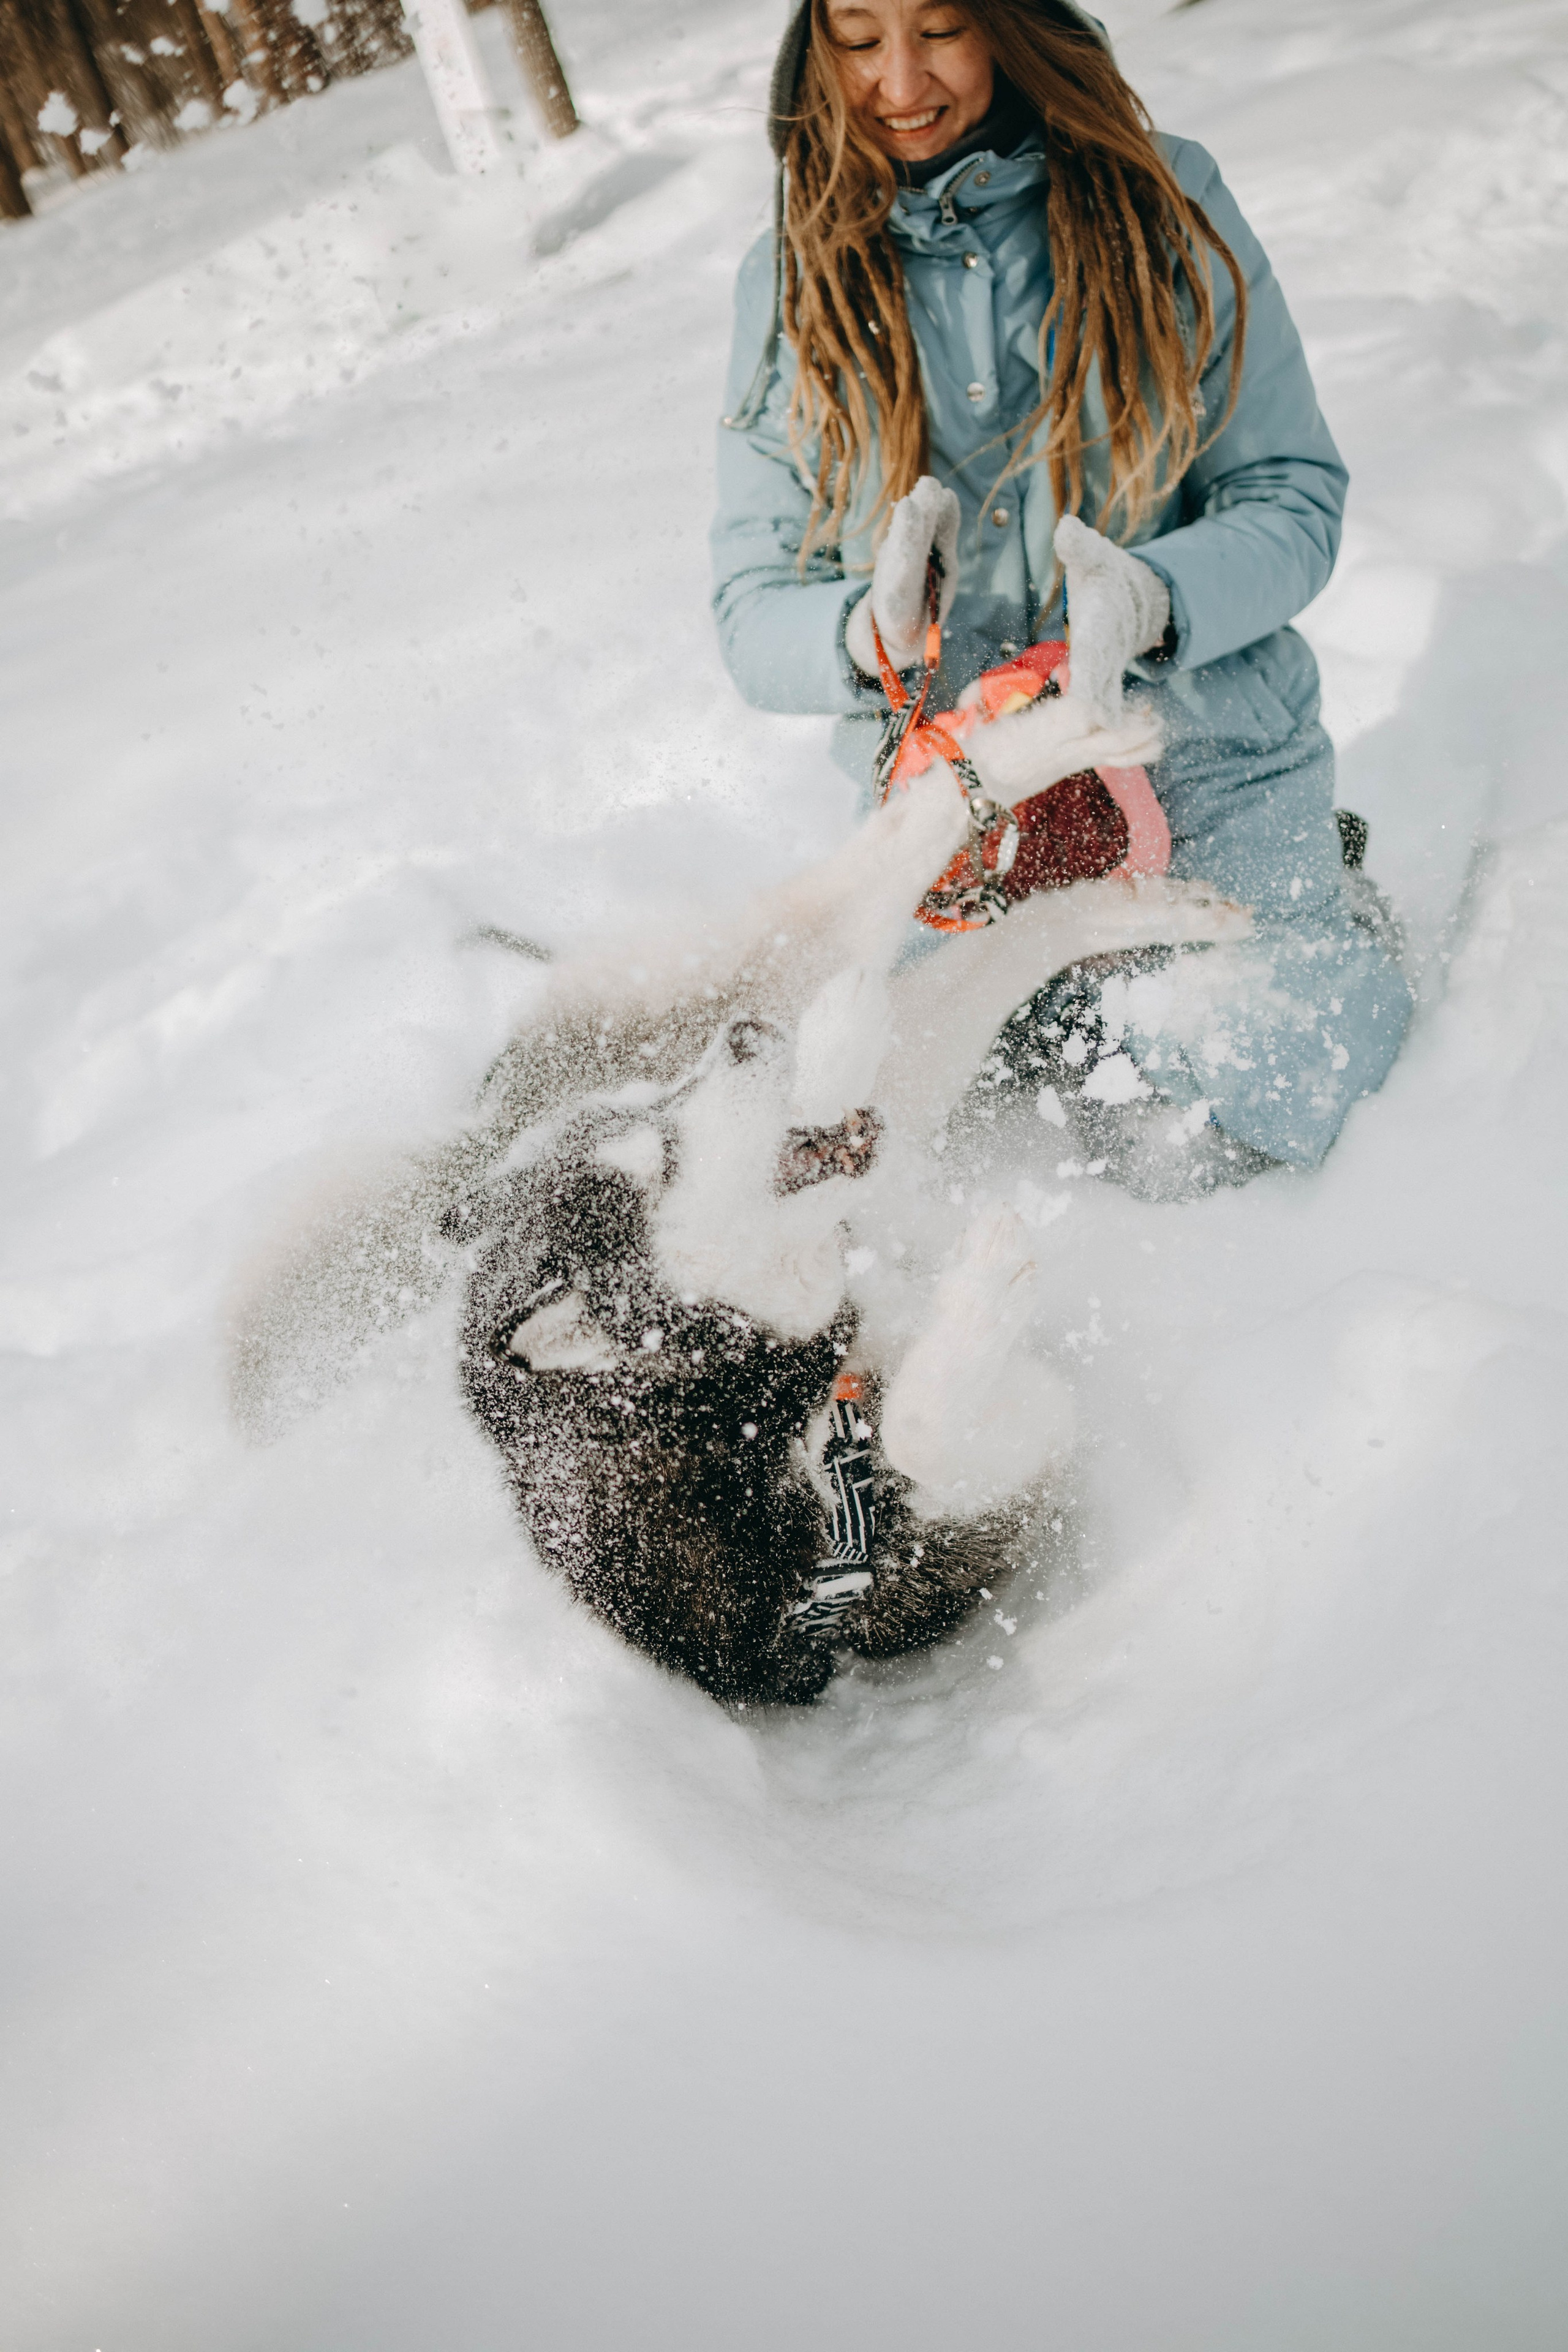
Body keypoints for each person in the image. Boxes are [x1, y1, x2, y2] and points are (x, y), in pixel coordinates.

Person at [710, 0, 1411, 1197]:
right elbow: (746, 604)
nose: (895, 82)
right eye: (857, 35)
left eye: (937, 29)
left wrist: (1156, 598)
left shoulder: (1163, 203)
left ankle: (1309, 898)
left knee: (1251, 1117)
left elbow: (1290, 493)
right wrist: (860, 636)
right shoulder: (797, 273)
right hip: (956, 819)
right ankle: (1065, 1001)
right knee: (887, 1143)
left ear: (1009, 24)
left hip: (1197, 754)